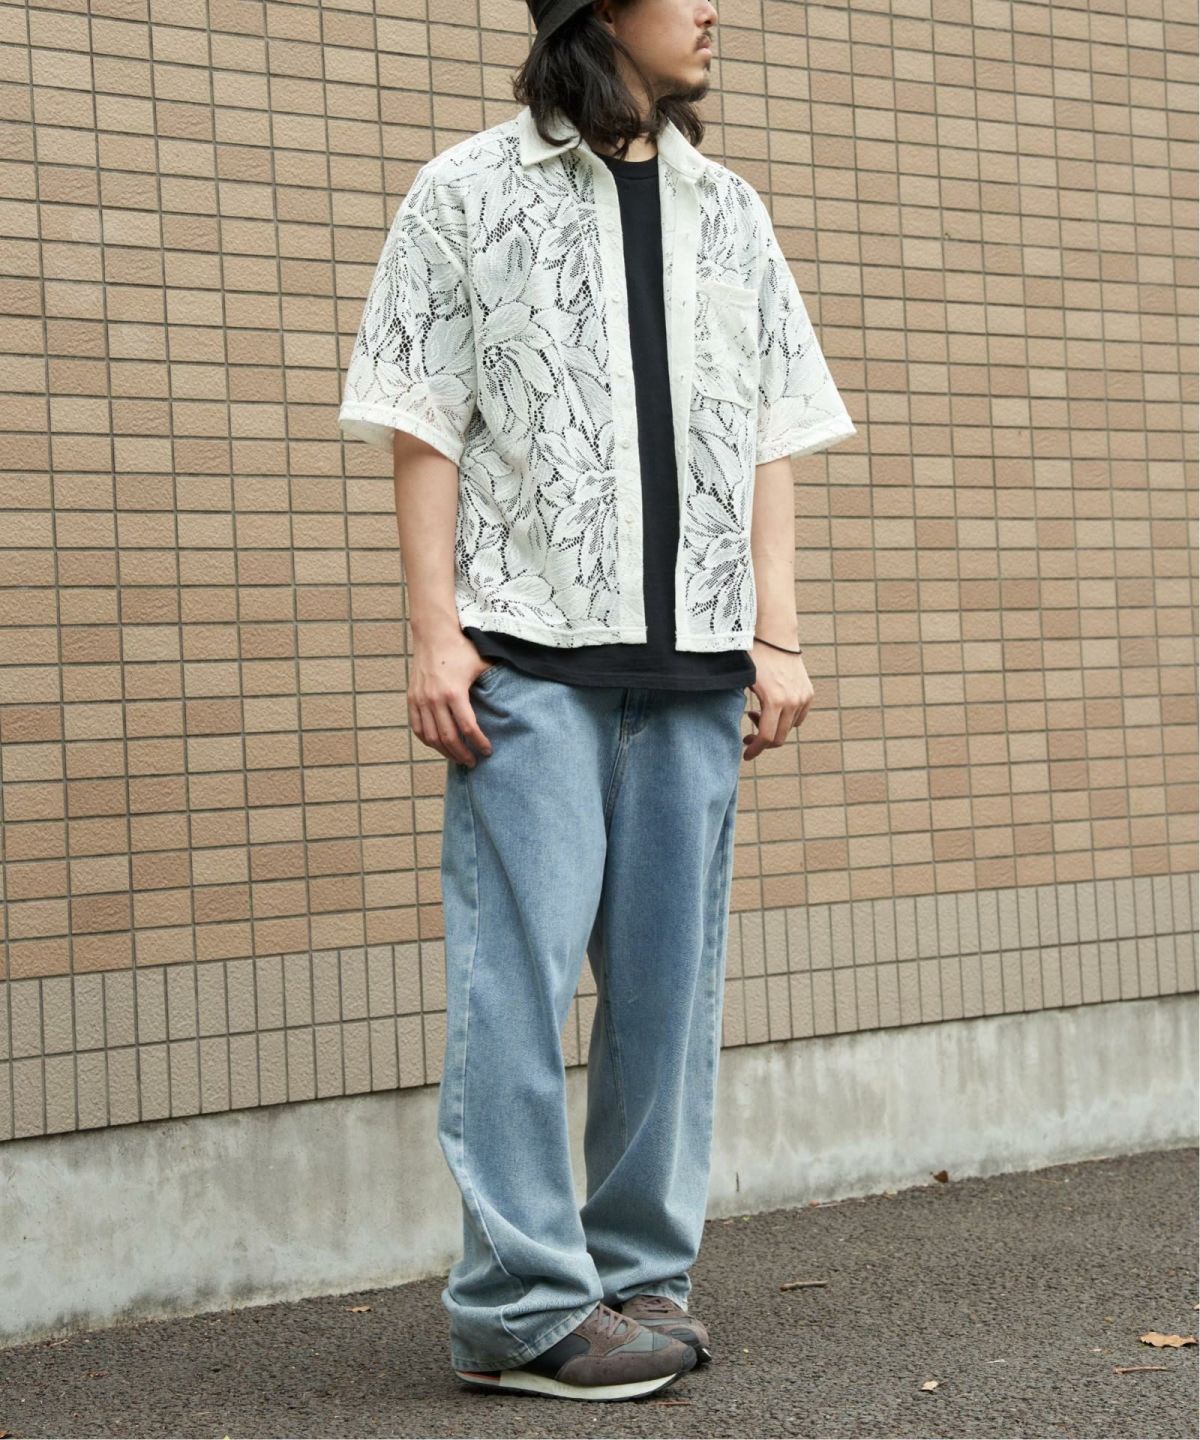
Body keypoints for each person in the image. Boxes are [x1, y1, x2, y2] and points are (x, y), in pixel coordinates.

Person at [338, 0, 857, 1403]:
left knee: (666, 1001)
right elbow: (422, 424)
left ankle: (637, 1278)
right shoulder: (464, 192)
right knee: (511, 998)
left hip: (695, 669)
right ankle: (517, 1310)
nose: (713, 9)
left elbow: (770, 433)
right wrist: (435, 638)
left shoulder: (729, 210)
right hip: (528, 661)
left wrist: (778, 636)